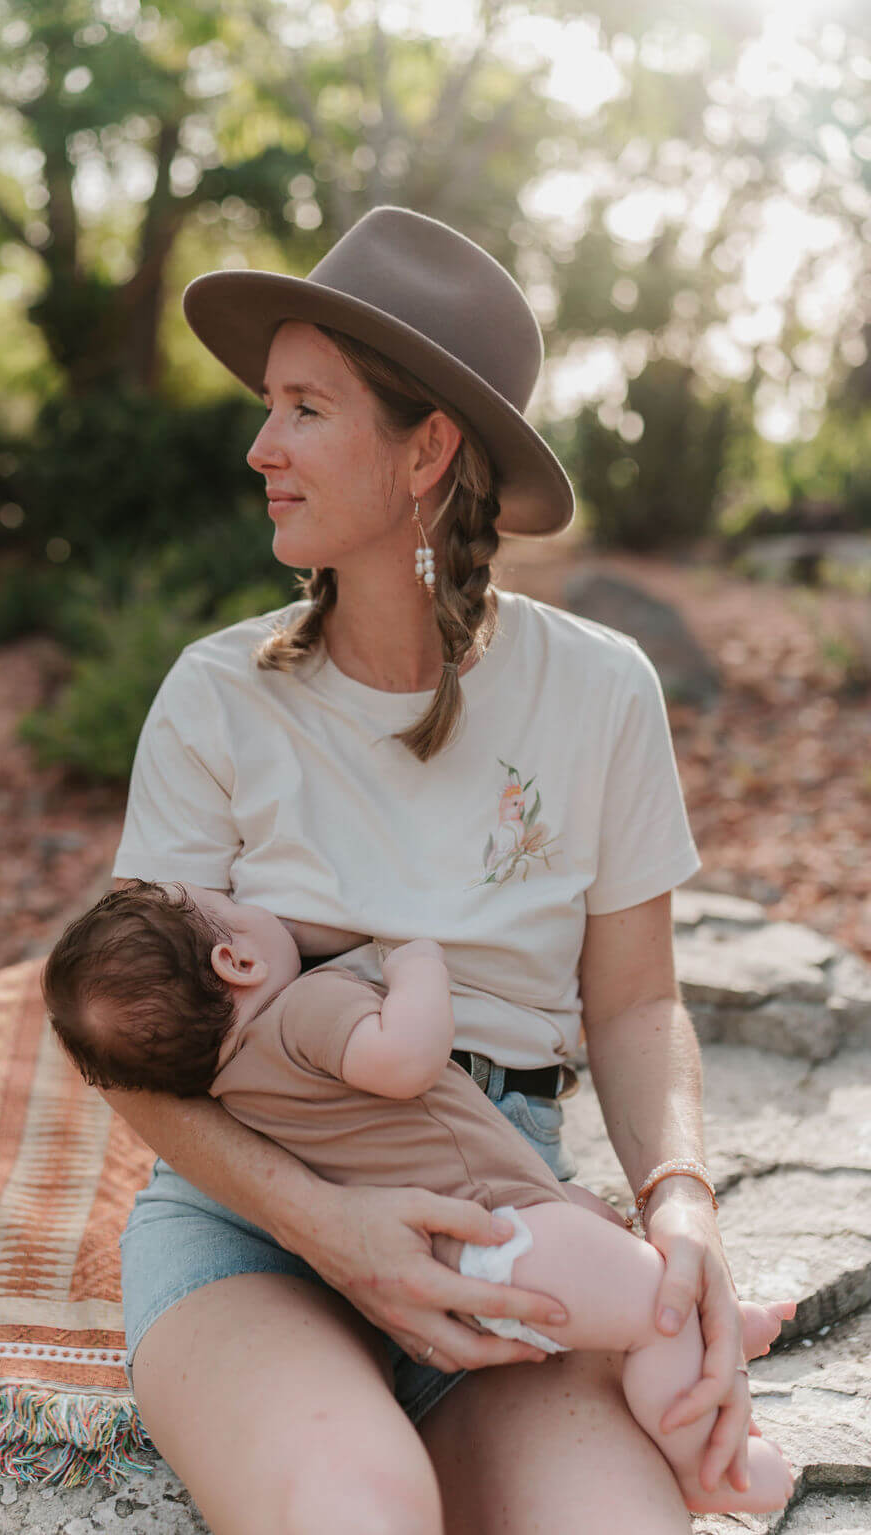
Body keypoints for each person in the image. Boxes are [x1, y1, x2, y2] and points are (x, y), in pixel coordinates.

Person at [104, 204, 762, 1534]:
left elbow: (636, 1000)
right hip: (258, 1219)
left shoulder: (600, 690)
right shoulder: (215, 696)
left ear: (428, 450)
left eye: (303, 407)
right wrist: (335, 1231)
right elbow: (130, 1044)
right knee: (358, 1508)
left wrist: (679, 1209)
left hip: (507, 1209)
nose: (259, 446)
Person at [44, 879, 795, 1516]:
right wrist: (417, 963)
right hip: (493, 1231)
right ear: (237, 958)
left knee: (606, 1242)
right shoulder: (309, 1009)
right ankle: (711, 1461)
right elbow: (404, 1058)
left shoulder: (232, 1086)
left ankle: (709, 1336)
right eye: (236, 902)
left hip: (463, 1244)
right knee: (650, 1305)